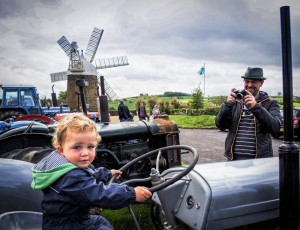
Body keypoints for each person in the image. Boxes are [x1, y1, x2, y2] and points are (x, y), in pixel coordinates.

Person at [31, 113, 152, 229]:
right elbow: (99, 194)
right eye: (77, 147)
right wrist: (131, 194)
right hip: (68, 226)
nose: (85, 153)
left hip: (73, 219)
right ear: (61, 150)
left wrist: (107, 173)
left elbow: (90, 173)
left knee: (100, 221)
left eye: (90, 147)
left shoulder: (65, 165)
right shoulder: (70, 177)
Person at [215, 67, 282, 161]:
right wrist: (227, 105)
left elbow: (275, 128)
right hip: (233, 160)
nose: (249, 85)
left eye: (253, 81)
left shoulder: (270, 103)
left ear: (261, 83)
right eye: (247, 81)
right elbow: (221, 125)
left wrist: (256, 107)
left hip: (259, 161)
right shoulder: (236, 101)